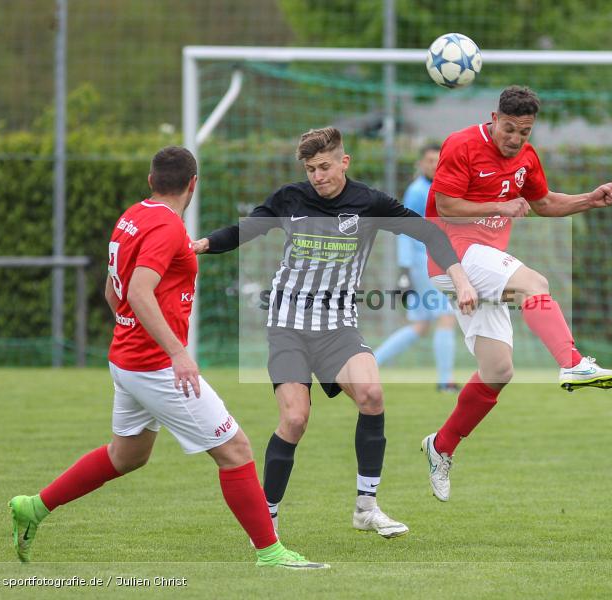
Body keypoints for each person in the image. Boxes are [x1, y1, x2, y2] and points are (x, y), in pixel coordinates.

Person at [8, 147, 326, 569]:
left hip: (128, 359)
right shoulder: (168, 227)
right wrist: (177, 353)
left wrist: (130, 327)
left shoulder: (132, 216)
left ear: (151, 180)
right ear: (193, 184)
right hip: (155, 366)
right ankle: (271, 553)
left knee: (127, 456)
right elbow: (138, 290)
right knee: (236, 449)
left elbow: (114, 289)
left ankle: (33, 507)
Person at [193, 127, 477, 538]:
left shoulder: (369, 202)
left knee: (372, 395)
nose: (317, 176)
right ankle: (267, 518)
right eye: (310, 169)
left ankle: (366, 508)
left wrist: (460, 280)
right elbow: (246, 229)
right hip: (289, 326)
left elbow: (430, 233)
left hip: (338, 327)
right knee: (295, 419)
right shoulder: (290, 198)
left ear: (344, 162)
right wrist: (202, 244)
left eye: (324, 166)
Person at [420, 86, 612, 502]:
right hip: (453, 255)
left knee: (498, 370)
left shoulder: (527, 158)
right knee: (536, 283)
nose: (515, 139)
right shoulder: (461, 145)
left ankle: (440, 447)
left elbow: (543, 203)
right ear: (494, 118)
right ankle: (573, 364)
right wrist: (499, 207)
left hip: (483, 263)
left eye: (525, 132)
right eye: (509, 129)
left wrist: (588, 200)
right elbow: (446, 206)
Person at [373, 143, 460, 392]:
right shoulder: (418, 191)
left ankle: (368, 365)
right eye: (429, 160)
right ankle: (445, 381)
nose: (434, 165)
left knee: (420, 326)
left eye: (438, 161)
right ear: (420, 164)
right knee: (446, 316)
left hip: (429, 262)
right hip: (425, 263)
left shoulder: (439, 188)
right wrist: (405, 269)